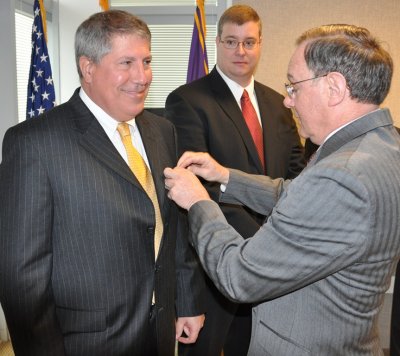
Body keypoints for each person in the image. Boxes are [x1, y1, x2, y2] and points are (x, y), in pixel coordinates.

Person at [164, 24, 400, 354]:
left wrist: (198, 201)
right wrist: (224, 176)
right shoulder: (383, 145)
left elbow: (238, 275)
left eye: (294, 86)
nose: (288, 101)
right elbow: (296, 194)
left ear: (334, 87)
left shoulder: (342, 175)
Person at [0, 10, 205, 356]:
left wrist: (186, 301)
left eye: (147, 61)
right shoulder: (35, 143)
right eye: (126, 62)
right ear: (88, 68)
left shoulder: (163, 131)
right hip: (86, 342)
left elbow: (174, 228)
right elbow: (22, 277)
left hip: (159, 331)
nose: (142, 77)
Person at [165, 5, 305, 356]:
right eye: (231, 41)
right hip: (216, 267)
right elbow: (198, 187)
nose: (240, 52)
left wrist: (277, 241)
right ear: (217, 43)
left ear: (260, 44)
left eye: (249, 42)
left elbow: (294, 177)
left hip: (273, 269)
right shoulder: (188, 100)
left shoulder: (280, 103)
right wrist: (265, 241)